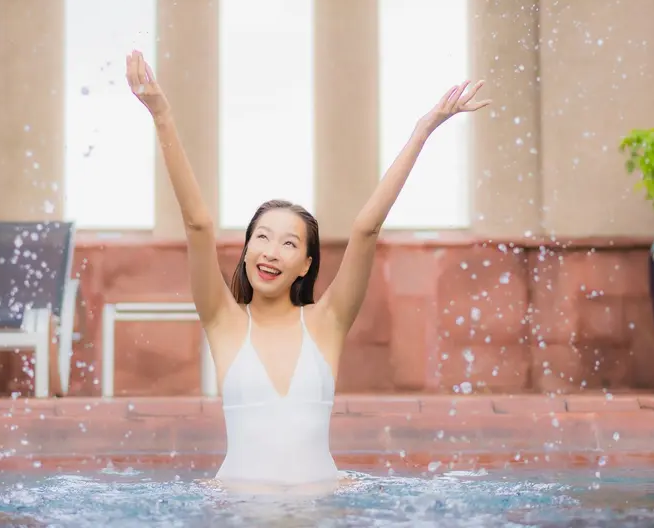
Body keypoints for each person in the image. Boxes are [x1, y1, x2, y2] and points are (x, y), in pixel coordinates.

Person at [125, 50, 490, 494]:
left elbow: (366, 228)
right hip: (238, 509)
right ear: (244, 251)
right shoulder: (223, 320)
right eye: (261, 237)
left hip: (322, 508)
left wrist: (422, 131)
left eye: (289, 243)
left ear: (307, 264)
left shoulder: (327, 322)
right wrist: (161, 114)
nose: (271, 252)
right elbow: (198, 223)